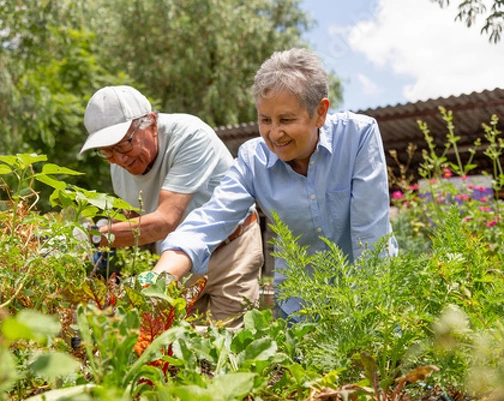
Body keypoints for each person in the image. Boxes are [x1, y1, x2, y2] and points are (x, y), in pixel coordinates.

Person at [151, 48, 399, 322]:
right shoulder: (252, 160)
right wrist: (159, 277)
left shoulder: (358, 137)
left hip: (367, 296)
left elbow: (370, 237)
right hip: (301, 306)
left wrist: (367, 314)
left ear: (320, 112)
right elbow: (210, 220)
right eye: (265, 120)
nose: (274, 133)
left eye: (286, 120)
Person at [79, 85, 264, 327]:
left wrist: (92, 237)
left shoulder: (190, 135)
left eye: (124, 144)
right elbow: (136, 226)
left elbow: (165, 221)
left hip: (231, 250)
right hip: (176, 258)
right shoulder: (119, 167)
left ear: (151, 123)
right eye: (108, 151)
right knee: (176, 348)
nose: (120, 159)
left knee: (226, 347)